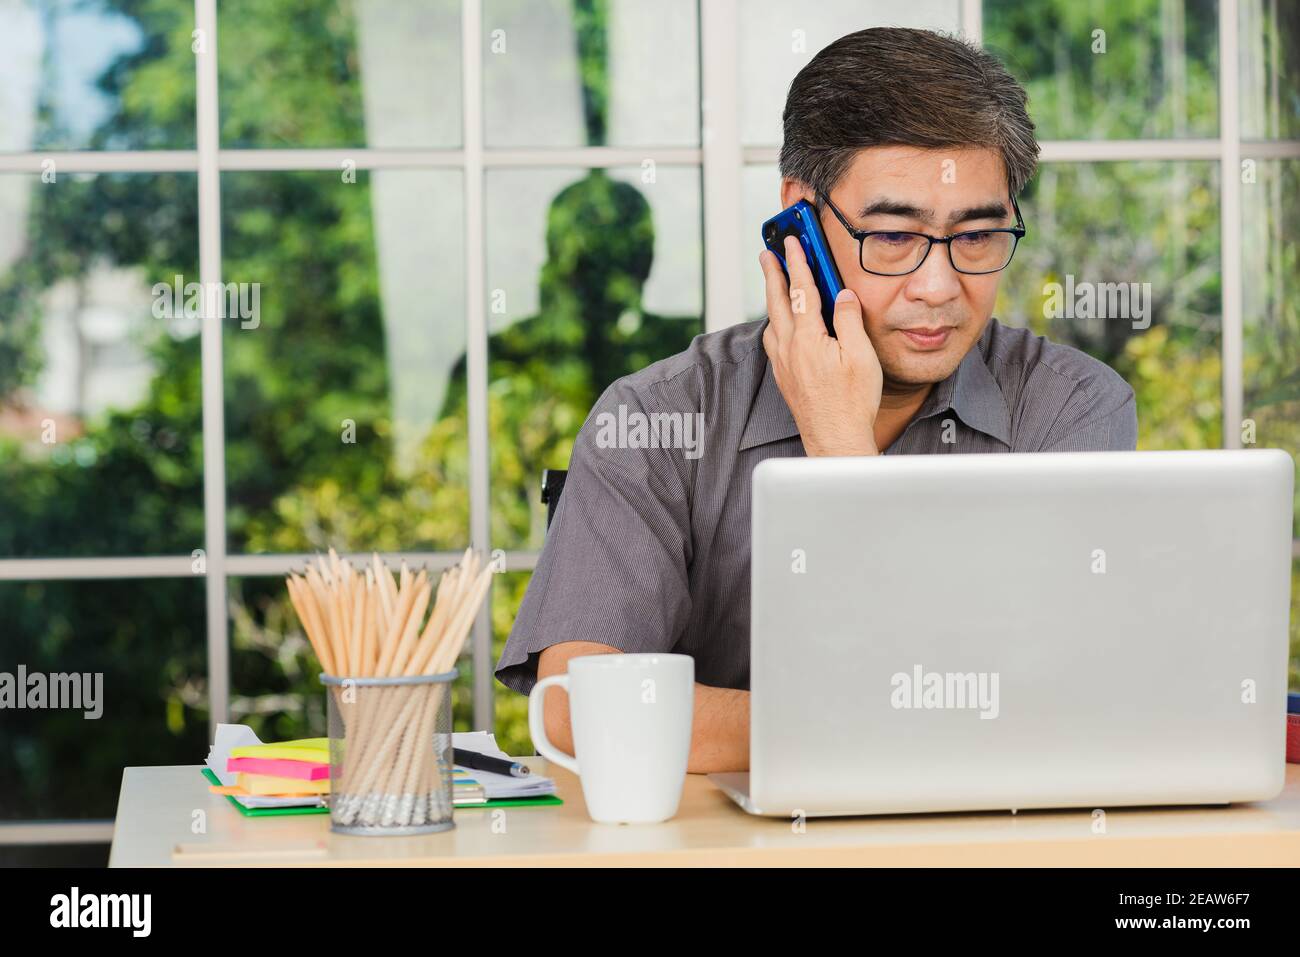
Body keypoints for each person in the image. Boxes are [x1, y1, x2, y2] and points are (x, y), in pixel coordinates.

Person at [495, 27, 1137, 773]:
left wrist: (841, 448)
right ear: (799, 219)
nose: (938, 287)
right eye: (894, 236)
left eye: (978, 235)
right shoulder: (656, 419)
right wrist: (875, 719)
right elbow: (577, 706)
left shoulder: (1071, 410)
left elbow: (1062, 700)